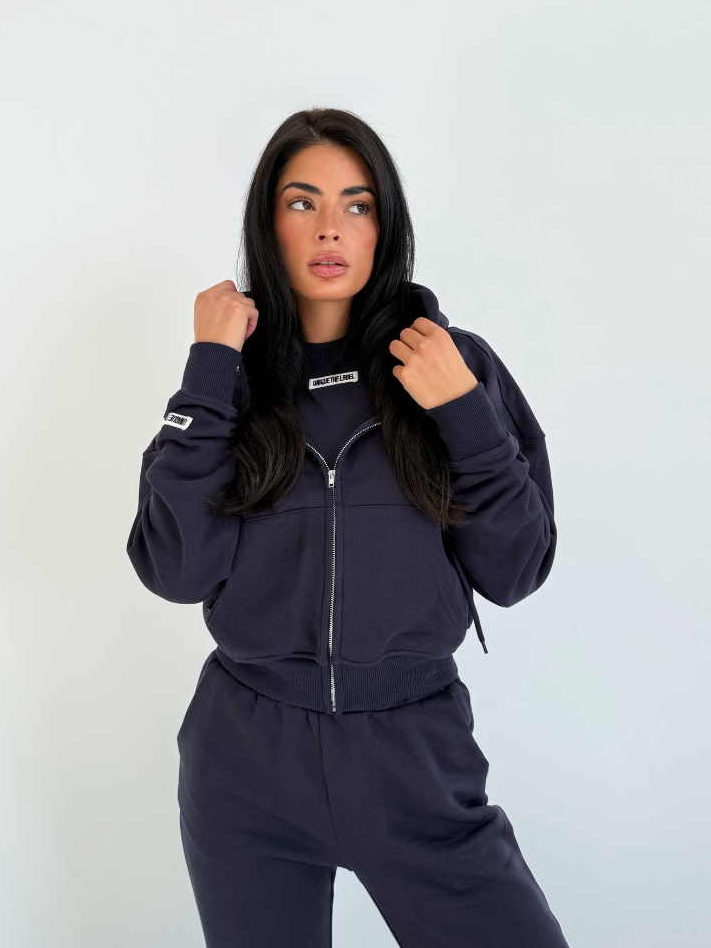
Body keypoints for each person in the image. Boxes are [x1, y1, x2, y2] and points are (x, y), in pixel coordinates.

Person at [126, 107, 569, 947]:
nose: (330, 227)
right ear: (267, 224)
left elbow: (516, 567)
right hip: (247, 761)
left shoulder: (453, 365)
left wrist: (463, 412)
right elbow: (175, 569)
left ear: (384, 226)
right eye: (302, 202)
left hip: (414, 756)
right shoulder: (229, 383)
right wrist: (209, 369)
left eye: (356, 204)